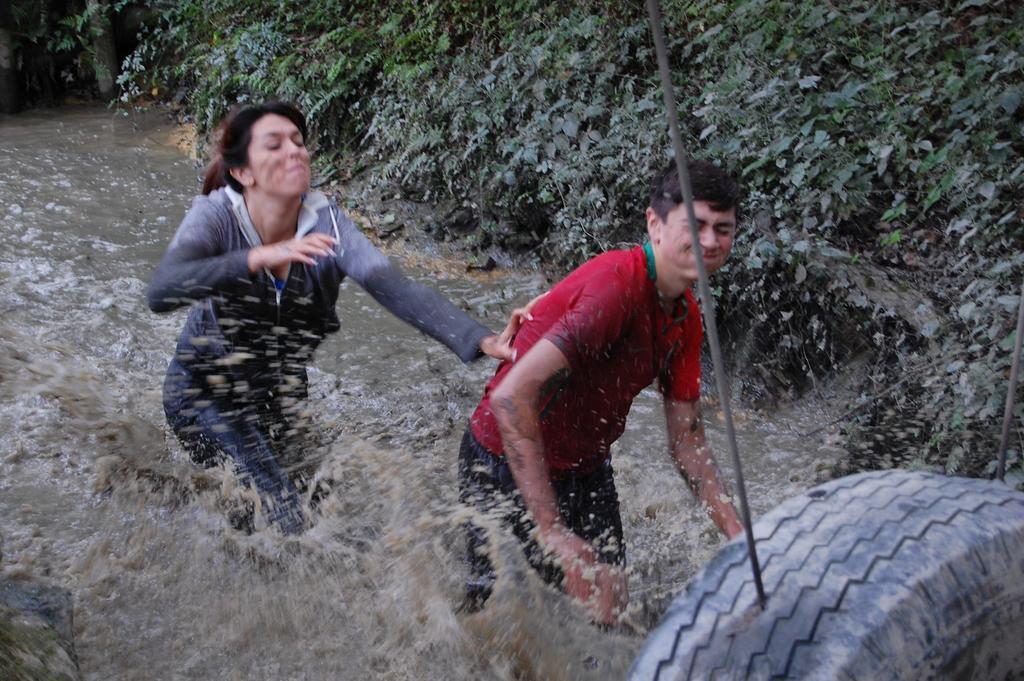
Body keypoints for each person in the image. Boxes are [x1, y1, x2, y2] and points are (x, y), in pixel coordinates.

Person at [148, 101, 524, 534]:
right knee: (285, 513)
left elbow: (393, 287)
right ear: (243, 172)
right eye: (275, 145)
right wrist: (255, 257)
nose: (295, 152)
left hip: (279, 390)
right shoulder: (216, 216)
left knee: (315, 497)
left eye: (299, 142)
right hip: (204, 394)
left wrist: (479, 338)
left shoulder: (327, 222)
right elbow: (163, 291)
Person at [459, 159, 744, 623]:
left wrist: (738, 533)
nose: (711, 241)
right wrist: (552, 531)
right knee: (492, 615)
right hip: (501, 458)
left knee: (607, 606)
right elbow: (511, 399)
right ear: (654, 223)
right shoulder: (617, 287)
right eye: (696, 224)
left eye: (723, 228)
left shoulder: (684, 317)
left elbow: (688, 440)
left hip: (586, 468)